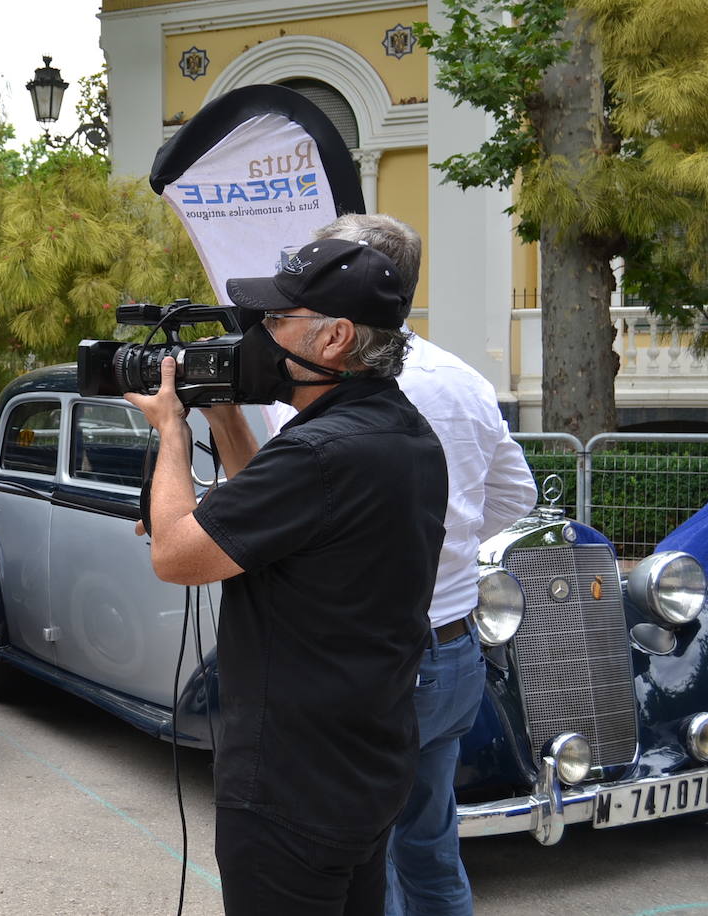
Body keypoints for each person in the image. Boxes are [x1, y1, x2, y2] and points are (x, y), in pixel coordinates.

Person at [125, 237, 448, 914]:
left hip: (289, 785)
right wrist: (222, 415)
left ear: (333, 338)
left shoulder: (321, 454)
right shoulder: (399, 431)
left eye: (275, 321)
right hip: (363, 766)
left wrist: (173, 437)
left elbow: (176, 556)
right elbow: (272, 519)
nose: (259, 338)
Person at [264, 214, 538, 915]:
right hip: (454, 646)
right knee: (430, 846)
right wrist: (437, 544)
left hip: (375, 659)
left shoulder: (318, 386)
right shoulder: (464, 380)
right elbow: (517, 494)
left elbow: (283, 513)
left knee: (367, 856)